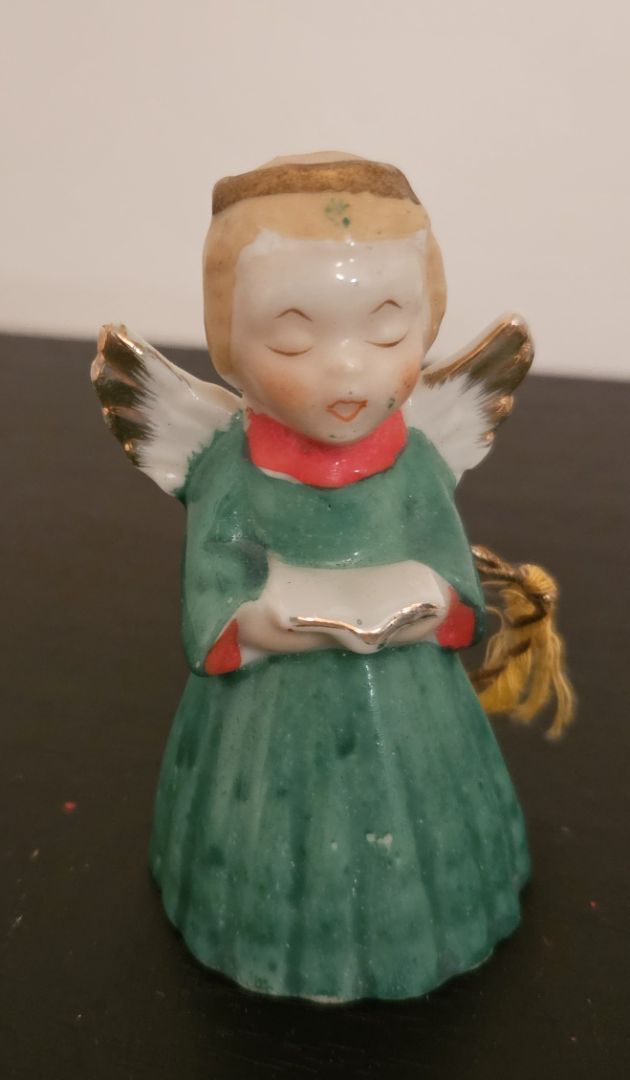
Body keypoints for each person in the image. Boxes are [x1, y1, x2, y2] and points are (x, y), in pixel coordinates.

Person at [93, 152, 532, 1002]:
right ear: (229, 346)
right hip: (265, 725)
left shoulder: (413, 464)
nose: (347, 370)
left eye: (388, 331)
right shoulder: (232, 471)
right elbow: (211, 591)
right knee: (266, 846)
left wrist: (431, 601)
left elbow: (456, 581)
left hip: (411, 708)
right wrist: (261, 620)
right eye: (294, 336)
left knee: (429, 839)